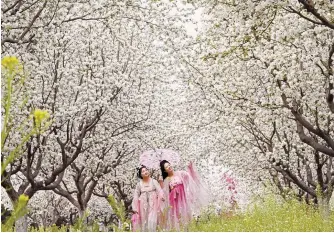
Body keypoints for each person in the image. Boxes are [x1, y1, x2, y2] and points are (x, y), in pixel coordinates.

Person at [159, 160, 210, 230]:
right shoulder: (166, 180)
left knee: (186, 215)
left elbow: (189, 177)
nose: (169, 167)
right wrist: (165, 192)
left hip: (183, 198)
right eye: (167, 167)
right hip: (174, 200)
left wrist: (190, 168)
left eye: (169, 165)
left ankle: (188, 229)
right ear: (165, 171)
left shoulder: (180, 173)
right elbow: (164, 191)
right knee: (178, 216)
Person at [131, 165, 165, 232]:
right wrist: (134, 207)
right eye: (143, 171)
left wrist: (162, 196)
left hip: (153, 205)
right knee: (144, 222)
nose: (145, 172)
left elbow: (159, 190)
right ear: (140, 174)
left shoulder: (154, 181)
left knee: (152, 221)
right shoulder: (139, 184)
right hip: (143, 205)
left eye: (146, 170)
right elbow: (136, 195)